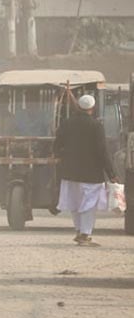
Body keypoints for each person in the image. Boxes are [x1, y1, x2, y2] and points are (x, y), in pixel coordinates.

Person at [54, 93, 116, 247]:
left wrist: (60, 156)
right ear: (92, 108)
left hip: (70, 172)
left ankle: (79, 231)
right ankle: (85, 234)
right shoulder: (96, 126)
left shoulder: (67, 123)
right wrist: (112, 174)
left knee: (75, 203)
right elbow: (102, 151)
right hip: (91, 173)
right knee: (88, 204)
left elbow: (57, 144)